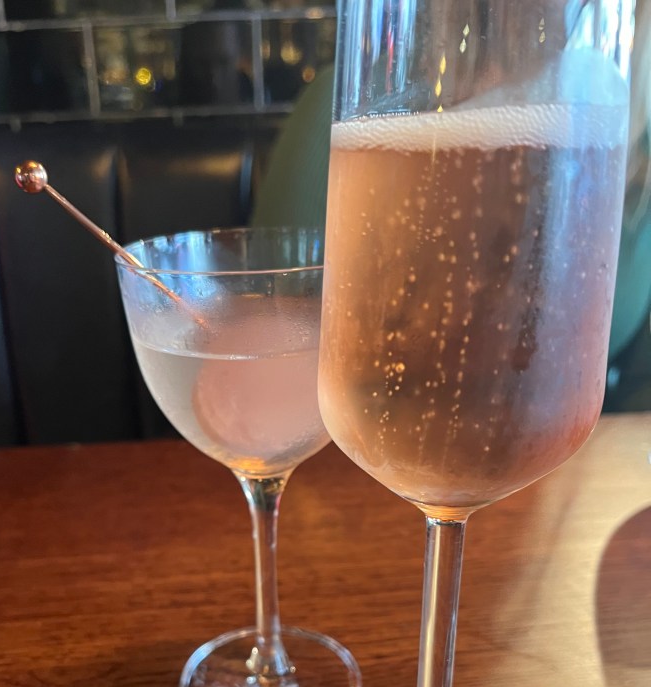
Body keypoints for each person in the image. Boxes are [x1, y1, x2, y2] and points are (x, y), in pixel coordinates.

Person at [251, 4, 651, 412]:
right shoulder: (356, 108)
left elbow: (642, 383)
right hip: (369, 441)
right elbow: (271, 347)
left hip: (575, 446)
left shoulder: (632, 141)